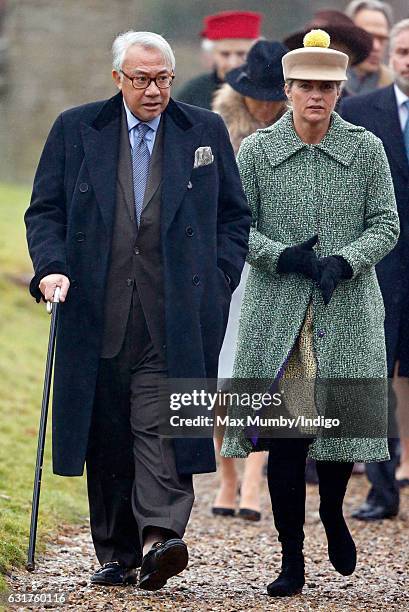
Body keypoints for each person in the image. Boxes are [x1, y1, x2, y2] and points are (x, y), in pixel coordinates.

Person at [24, 30, 250, 590]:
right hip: (96, 310)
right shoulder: (77, 129)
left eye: (163, 79)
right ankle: (117, 552)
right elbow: (44, 211)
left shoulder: (204, 129)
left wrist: (221, 278)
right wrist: (50, 267)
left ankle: (161, 537)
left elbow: (233, 217)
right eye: (142, 79)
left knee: (162, 422)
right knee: (106, 430)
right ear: (118, 79)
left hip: (174, 311)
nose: (154, 90)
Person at [221, 29, 399, 597]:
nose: (316, 96)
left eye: (327, 87)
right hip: (278, 315)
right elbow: (237, 226)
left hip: (345, 309)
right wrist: (281, 256)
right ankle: (291, 556)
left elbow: (388, 223)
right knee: (287, 440)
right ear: (288, 89)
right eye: (305, 87)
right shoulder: (259, 152)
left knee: (338, 435)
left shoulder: (365, 148)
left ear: (341, 91)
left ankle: (333, 515)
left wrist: (347, 261)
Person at [212, 40, 288, 520]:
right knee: (222, 373)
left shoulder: (300, 133)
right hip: (229, 265)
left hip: (277, 269)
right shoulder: (218, 130)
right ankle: (226, 476)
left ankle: (254, 482)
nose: (264, 105)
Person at [341, 18, 409, 519]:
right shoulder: (361, 112)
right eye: (403, 52)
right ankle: (380, 489)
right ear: (390, 57)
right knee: (373, 376)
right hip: (380, 263)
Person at [176, 10, 262, 110]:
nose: (233, 63)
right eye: (225, 54)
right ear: (212, 54)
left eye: (241, 54)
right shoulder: (192, 92)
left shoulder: (268, 91)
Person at [344, 0, 393, 95]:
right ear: (348, 35)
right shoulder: (325, 78)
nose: (376, 46)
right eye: (367, 36)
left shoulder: (397, 88)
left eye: (382, 39)